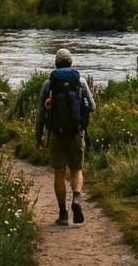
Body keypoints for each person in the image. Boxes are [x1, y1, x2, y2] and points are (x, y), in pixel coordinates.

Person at [35, 48, 95, 225]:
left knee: (59, 174)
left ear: (56, 63)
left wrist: (38, 137)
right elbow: (92, 106)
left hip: (56, 135)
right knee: (76, 170)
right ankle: (77, 198)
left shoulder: (48, 84)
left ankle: (63, 214)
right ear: (71, 63)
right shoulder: (80, 81)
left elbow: (40, 114)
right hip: (76, 133)